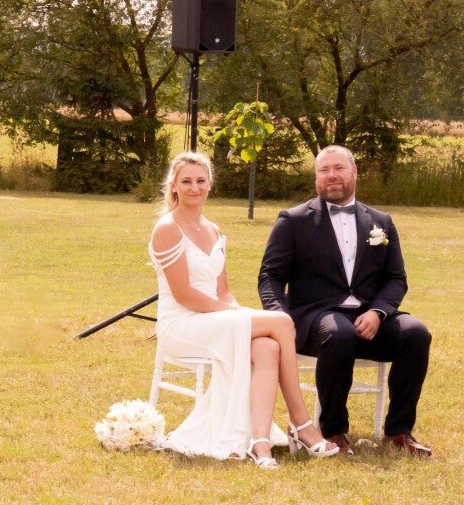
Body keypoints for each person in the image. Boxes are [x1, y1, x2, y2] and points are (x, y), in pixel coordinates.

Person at [151, 151, 339, 467]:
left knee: (266, 347)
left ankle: (260, 443)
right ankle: (302, 423)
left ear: (210, 184)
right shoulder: (167, 227)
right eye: (186, 181)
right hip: (182, 324)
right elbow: (184, 295)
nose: (194, 187)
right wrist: (237, 317)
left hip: (212, 319)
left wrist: (236, 312)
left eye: (201, 180)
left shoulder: (213, 230)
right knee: (281, 322)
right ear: (173, 186)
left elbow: (222, 291)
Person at [258, 146, 432, 457]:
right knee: (340, 334)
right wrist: (280, 319)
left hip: (371, 319)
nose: (332, 176)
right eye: (324, 170)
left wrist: (378, 312)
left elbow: (396, 278)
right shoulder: (293, 220)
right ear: (316, 178)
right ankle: (333, 430)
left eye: (338, 168)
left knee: (416, 333)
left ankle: (398, 430)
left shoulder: (381, 221)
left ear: (354, 173)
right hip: (318, 320)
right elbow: (270, 277)